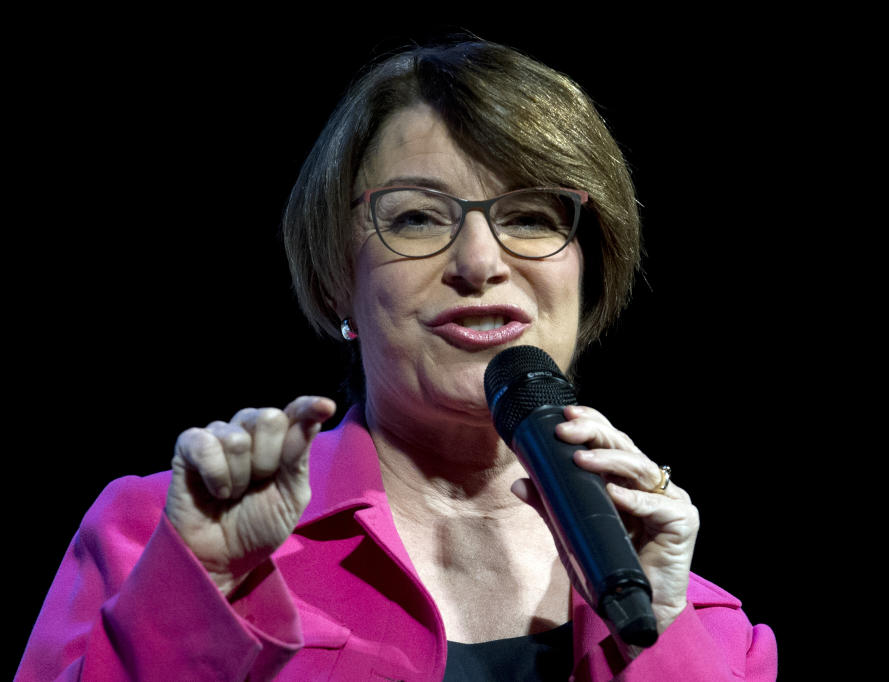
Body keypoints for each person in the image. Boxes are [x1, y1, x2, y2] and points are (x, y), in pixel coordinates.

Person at [17, 39, 777, 680]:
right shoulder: (164, 539)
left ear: (588, 270)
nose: (479, 261)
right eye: (416, 217)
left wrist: (659, 632)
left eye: (530, 215)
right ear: (337, 275)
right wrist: (196, 599)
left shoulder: (708, 623)